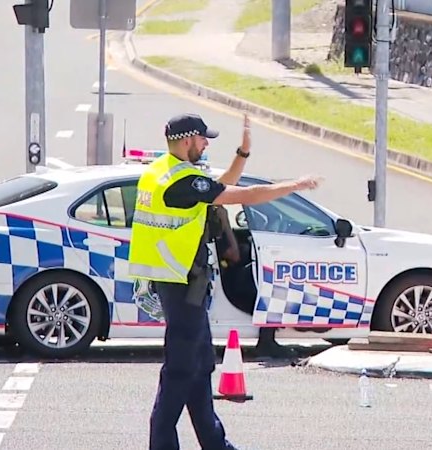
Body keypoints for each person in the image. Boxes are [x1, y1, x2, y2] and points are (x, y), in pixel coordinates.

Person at [128, 112, 321, 450]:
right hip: (181, 283)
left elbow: (220, 186)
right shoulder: (181, 181)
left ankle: (215, 443)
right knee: (179, 370)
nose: (205, 144)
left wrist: (242, 153)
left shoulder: (164, 170)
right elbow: (244, 195)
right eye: (203, 138)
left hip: (182, 282)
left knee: (200, 364)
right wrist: (295, 185)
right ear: (187, 140)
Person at [208, 205, 297, 358]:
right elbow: (234, 255)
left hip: (234, 283)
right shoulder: (215, 232)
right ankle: (266, 344)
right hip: (233, 288)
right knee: (273, 292)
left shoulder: (215, 229)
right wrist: (226, 224)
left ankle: (268, 342)